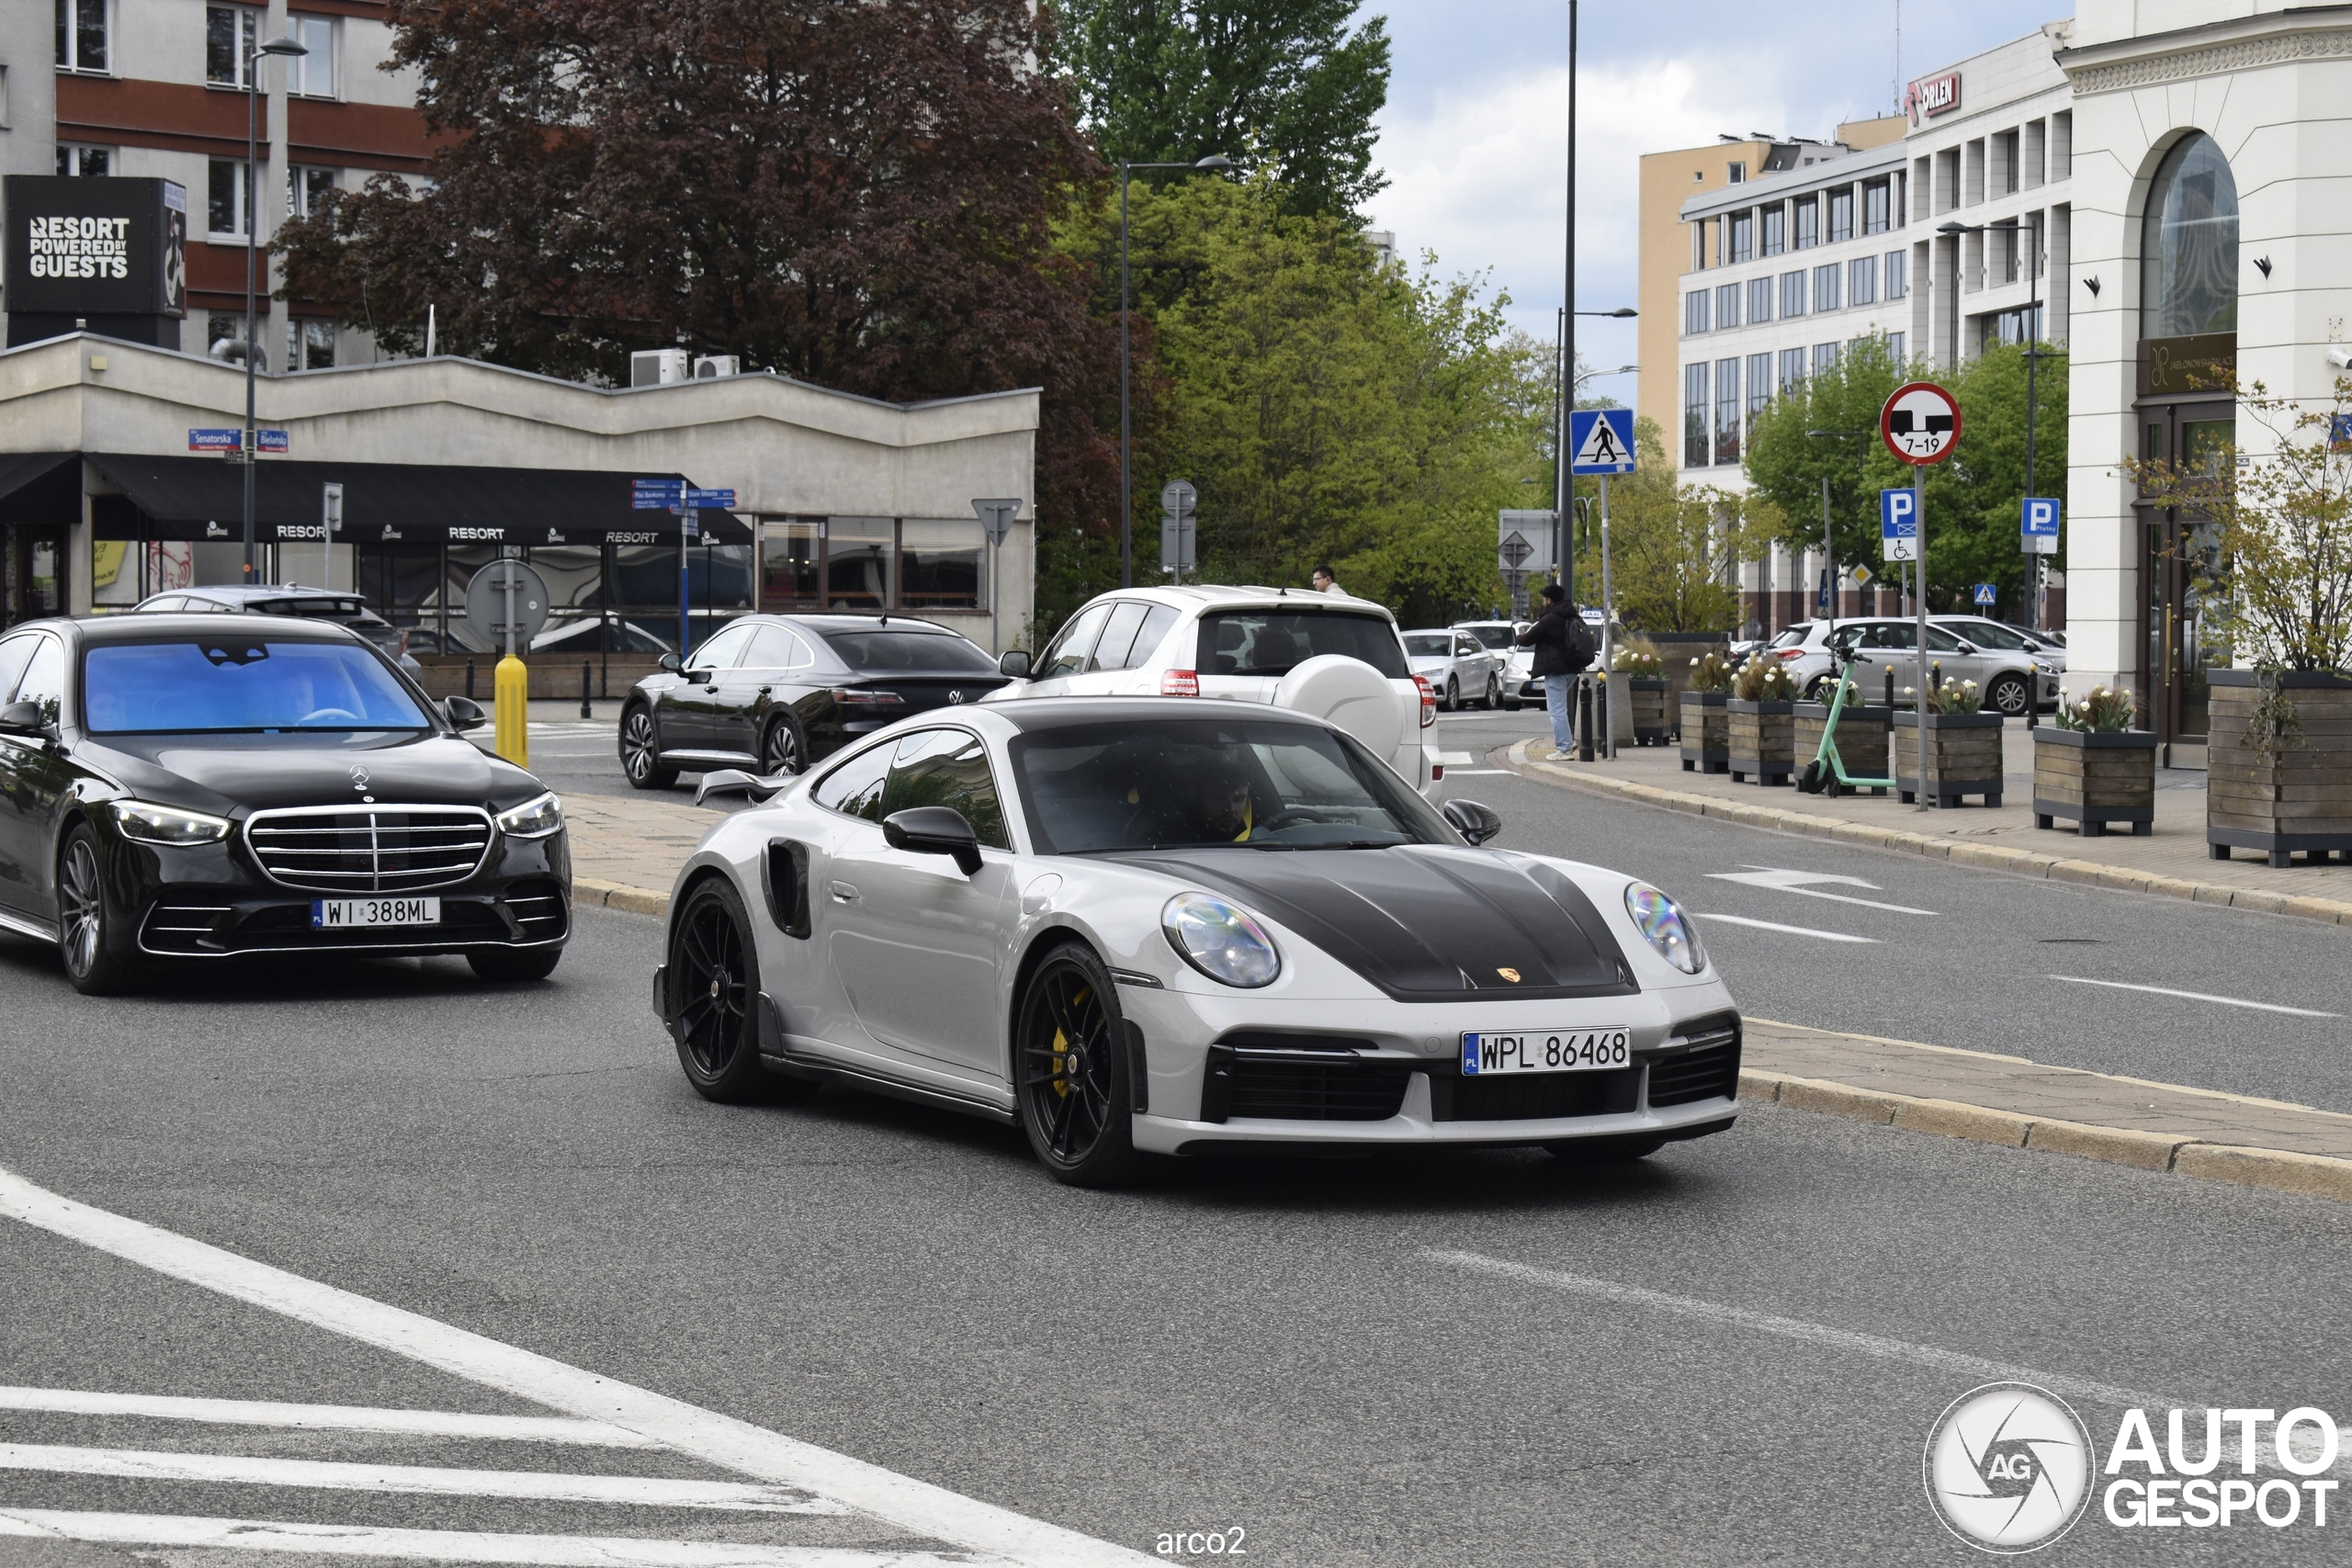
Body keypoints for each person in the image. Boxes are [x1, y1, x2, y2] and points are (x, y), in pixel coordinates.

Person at [1517, 581, 1596, 761]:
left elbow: (1528, 638)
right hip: (1571, 669)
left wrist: (1518, 636)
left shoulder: (1551, 618)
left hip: (1556, 670)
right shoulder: (1571, 615)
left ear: (1550, 600)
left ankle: (1564, 748)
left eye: (1545, 599)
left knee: (1556, 709)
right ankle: (1567, 741)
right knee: (1560, 707)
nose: (1544, 602)